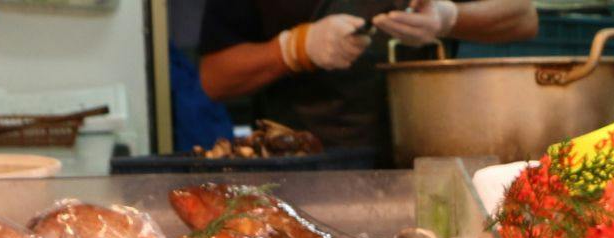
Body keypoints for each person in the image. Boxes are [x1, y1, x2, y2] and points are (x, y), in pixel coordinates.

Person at [199, 0, 539, 161]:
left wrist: (449, 18)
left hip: (430, 159)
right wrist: (294, 49)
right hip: (304, 170)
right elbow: (215, 79)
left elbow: (523, 18)